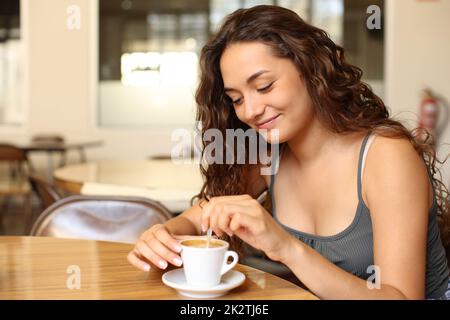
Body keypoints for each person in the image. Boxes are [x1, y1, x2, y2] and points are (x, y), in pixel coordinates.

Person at [127, 5, 450, 300]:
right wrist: (163, 233)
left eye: (264, 86)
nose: (250, 111)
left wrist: (284, 246)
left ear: (310, 68)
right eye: (236, 99)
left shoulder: (386, 156)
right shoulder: (268, 156)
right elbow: (201, 218)